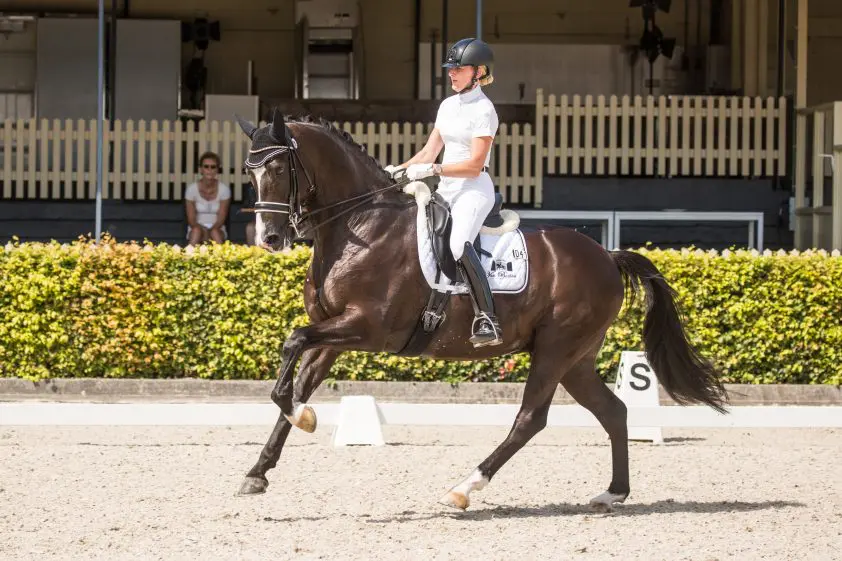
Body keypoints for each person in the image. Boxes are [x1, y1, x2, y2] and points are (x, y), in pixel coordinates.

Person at [385, 37, 502, 348]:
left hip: (473, 189)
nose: (451, 73)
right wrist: (397, 170)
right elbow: (429, 151)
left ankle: (487, 318)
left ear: (478, 72)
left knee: (458, 243)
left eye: (458, 69)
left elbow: (474, 165)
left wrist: (434, 170)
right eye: (451, 68)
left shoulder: (484, 110)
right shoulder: (448, 106)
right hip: (447, 188)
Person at [185, 151, 231, 245]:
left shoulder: (224, 190)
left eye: (213, 167)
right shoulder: (191, 189)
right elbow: (191, 220)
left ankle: (222, 254)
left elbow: (221, 220)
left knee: (214, 232)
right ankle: (188, 254)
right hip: (196, 227)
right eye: (206, 166)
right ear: (201, 169)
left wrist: (210, 232)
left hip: (217, 228)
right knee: (197, 231)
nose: (209, 170)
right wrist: (204, 231)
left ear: (217, 170)